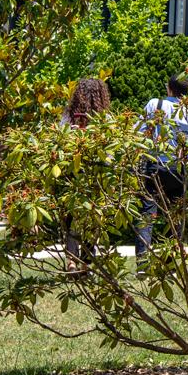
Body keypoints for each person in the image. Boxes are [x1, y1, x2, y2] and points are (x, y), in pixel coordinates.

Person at [137, 75, 188, 261]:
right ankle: (171, 262)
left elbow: (138, 130)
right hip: (178, 169)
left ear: (169, 88)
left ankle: (143, 262)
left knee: (147, 214)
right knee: (175, 216)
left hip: (155, 167)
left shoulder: (155, 104)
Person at [60, 77, 111, 264]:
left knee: (72, 215)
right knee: (92, 216)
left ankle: (72, 259)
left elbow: (58, 142)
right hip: (97, 172)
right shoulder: (105, 118)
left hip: (73, 171)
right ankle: (87, 260)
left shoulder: (69, 116)